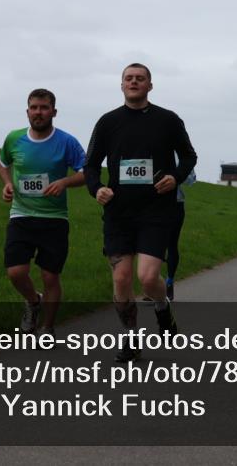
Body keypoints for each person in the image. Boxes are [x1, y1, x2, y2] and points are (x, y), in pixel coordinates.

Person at [84, 63, 197, 363]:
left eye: (140, 78)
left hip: (156, 210)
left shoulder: (168, 120)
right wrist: (96, 188)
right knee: (121, 279)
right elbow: (90, 164)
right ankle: (130, 338)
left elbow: (189, 156)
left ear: (150, 85)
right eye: (129, 78)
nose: (134, 82)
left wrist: (175, 177)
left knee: (147, 278)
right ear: (121, 85)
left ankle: (162, 307)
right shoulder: (108, 122)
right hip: (118, 212)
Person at [0, 89, 87, 337]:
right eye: (34, 108)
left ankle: (47, 328)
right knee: (15, 272)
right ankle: (33, 301)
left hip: (54, 219)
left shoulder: (67, 142)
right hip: (21, 215)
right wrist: (7, 184)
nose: (38, 112)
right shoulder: (14, 138)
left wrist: (64, 183)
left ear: (53, 112)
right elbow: (3, 163)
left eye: (44, 108)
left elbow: (87, 172)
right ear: (27, 111)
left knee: (50, 276)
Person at [165, 168, 197, 301]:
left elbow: (191, 179)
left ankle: (169, 282)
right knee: (153, 244)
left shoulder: (181, 156)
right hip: (153, 204)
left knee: (171, 244)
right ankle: (152, 284)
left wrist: (176, 177)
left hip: (176, 205)